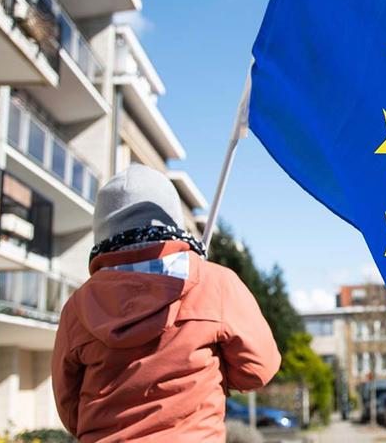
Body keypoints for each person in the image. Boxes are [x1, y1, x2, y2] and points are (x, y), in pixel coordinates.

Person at [52, 165, 280, 442]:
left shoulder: (77, 307)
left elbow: (69, 409)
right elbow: (258, 370)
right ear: (174, 220)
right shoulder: (215, 283)